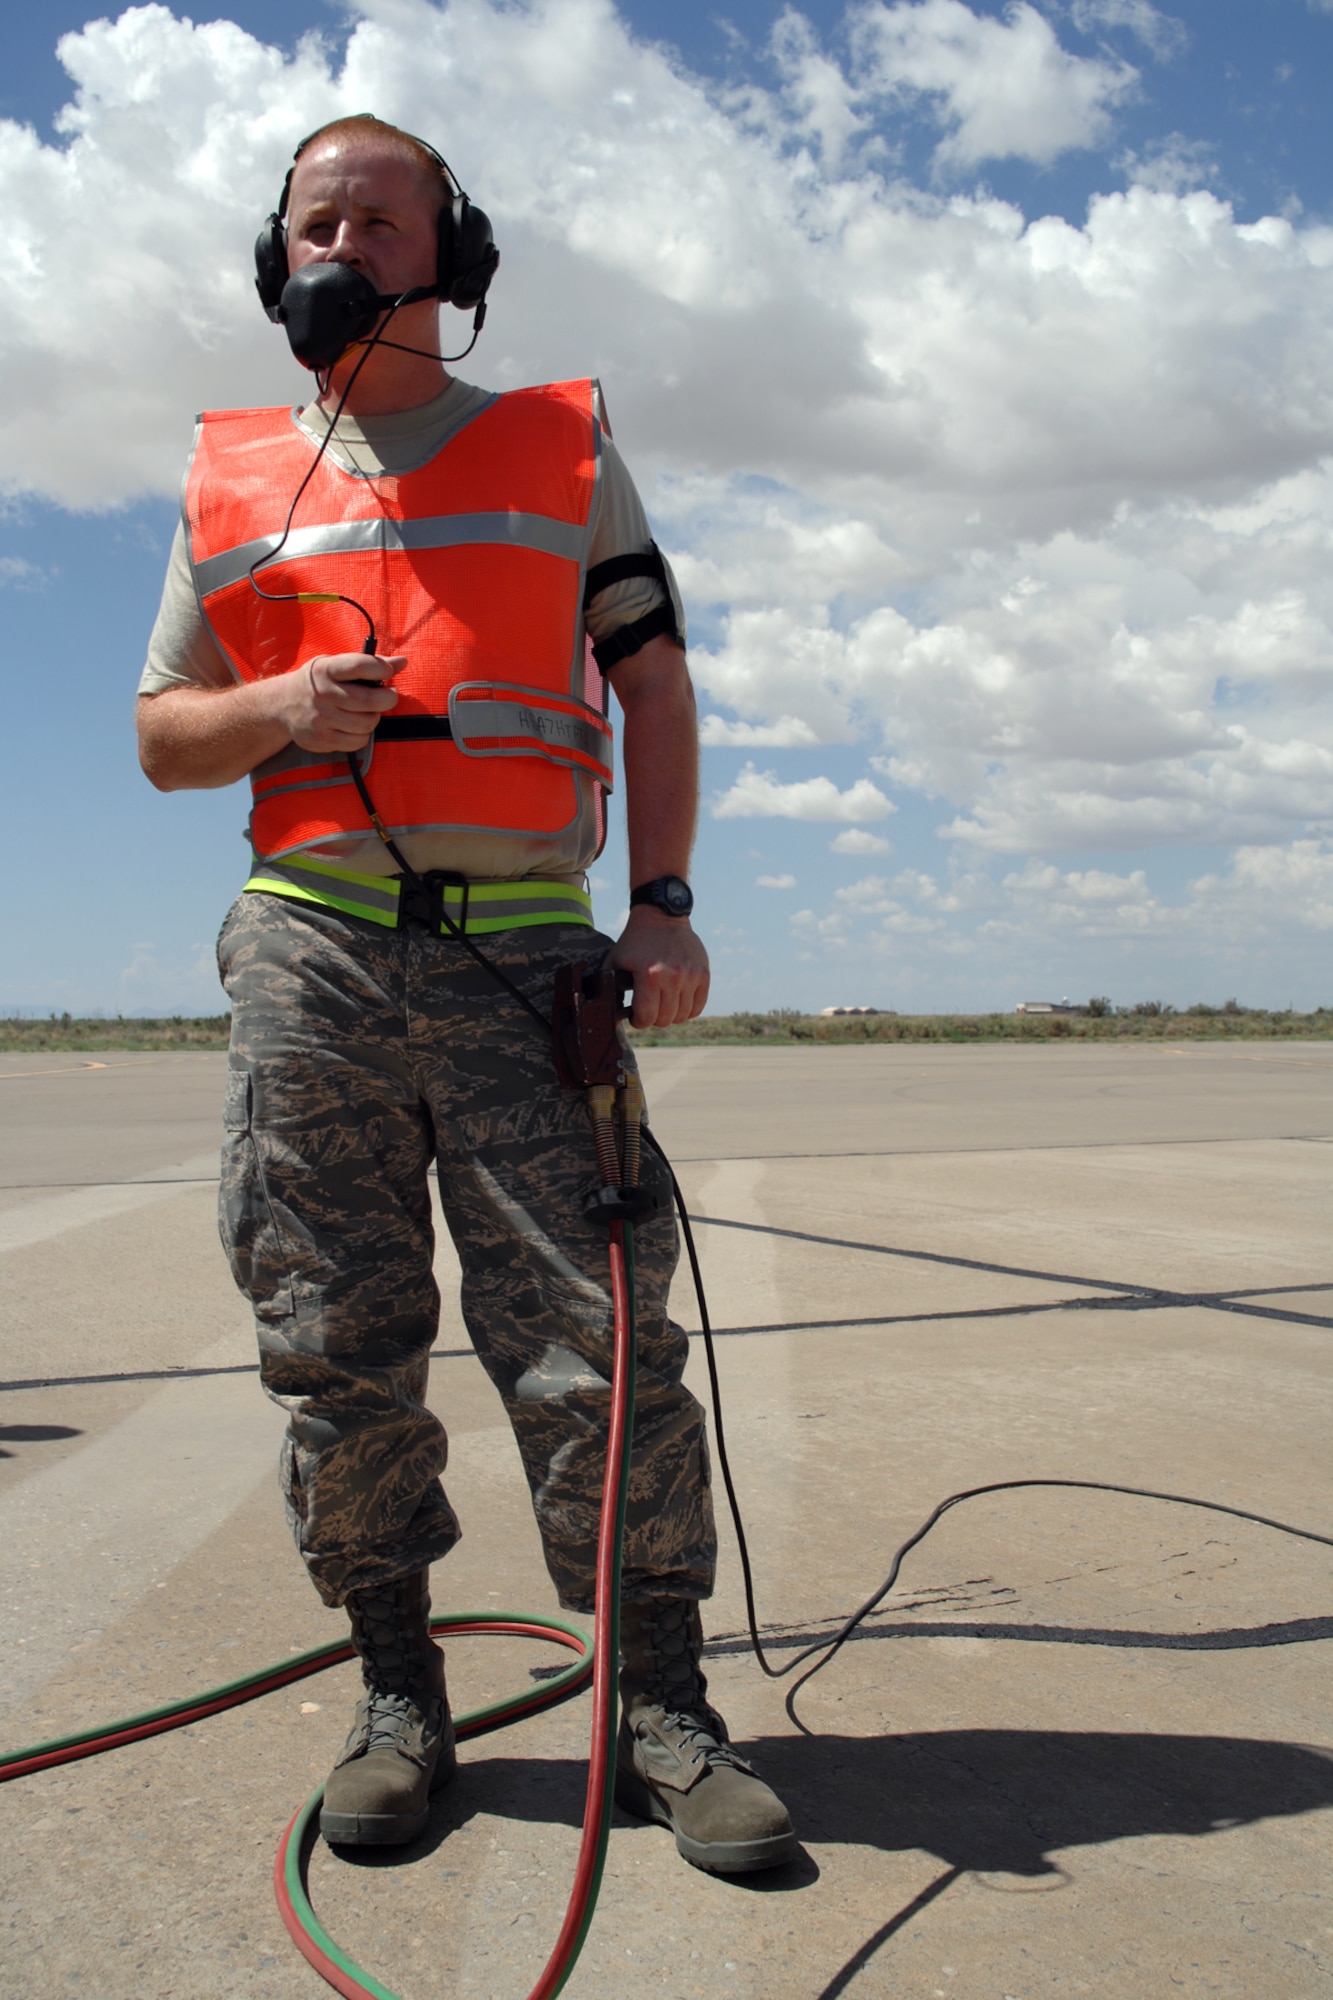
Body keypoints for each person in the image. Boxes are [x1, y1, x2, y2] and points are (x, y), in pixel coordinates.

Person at [136, 114, 796, 1875]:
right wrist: (277, 714)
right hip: (311, 952)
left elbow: (651, 685)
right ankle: (396, 1697)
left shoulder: (553, 446)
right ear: (272, 255)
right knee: (332, 1341)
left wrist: (661, 905)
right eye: (312, 216)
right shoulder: (225, 473)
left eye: (379, 211)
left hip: (528, 954)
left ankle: (658, 1704)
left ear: (456, 252)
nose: (341, 236)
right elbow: (158, 739)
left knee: (598, 1351)